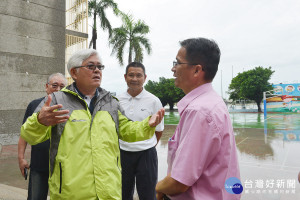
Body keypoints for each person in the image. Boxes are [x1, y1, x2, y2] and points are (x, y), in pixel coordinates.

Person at [21, 49, 164, 200]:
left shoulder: (111, 102)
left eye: (99, 67)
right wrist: (39, 121)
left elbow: (127, 130)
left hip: (109, 191)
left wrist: (146, 125)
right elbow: (29, 134)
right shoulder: (57, 101)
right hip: (72, 192)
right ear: (74, 73)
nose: (97, 70)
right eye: (90, 66)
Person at [155, 38, 240, 200]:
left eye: (177, 63)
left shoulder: (199, 111)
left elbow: (179, 182)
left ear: (196, 70)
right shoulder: (211, 102)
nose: (173, 69)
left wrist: (158, 188)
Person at [118, 62, 164, 200]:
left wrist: (146, 146)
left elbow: (159, 131)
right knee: (122, 193)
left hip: (146, 154)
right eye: (131, 75)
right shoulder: (117, 100)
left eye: (139, 75)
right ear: (125, 77)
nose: (135, 79)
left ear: (145, 77)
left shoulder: (154, 101)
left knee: (148, 194)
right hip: (122, 153)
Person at [18, 73, 67, 200]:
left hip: (62, 168)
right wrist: (21, 158)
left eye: (62, 86)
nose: (58, 89)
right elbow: (24, 134)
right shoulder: (34, 105)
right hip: (39, 165)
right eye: (54, 85)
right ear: (46, 86)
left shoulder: (69, 108)